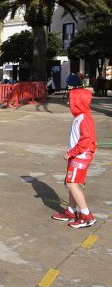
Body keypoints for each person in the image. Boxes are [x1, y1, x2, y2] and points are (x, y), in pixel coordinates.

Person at [52, 88, 96, 228]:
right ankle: (71, 212)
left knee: (72, 184)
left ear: (79, 101)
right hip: (77, 156)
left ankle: (86, 215)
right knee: (72, 184)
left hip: (80, 156)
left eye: (71, 100)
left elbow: (86, 140)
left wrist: (71, 153)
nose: (68, 103)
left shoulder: (84, 118)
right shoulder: (80, 117)